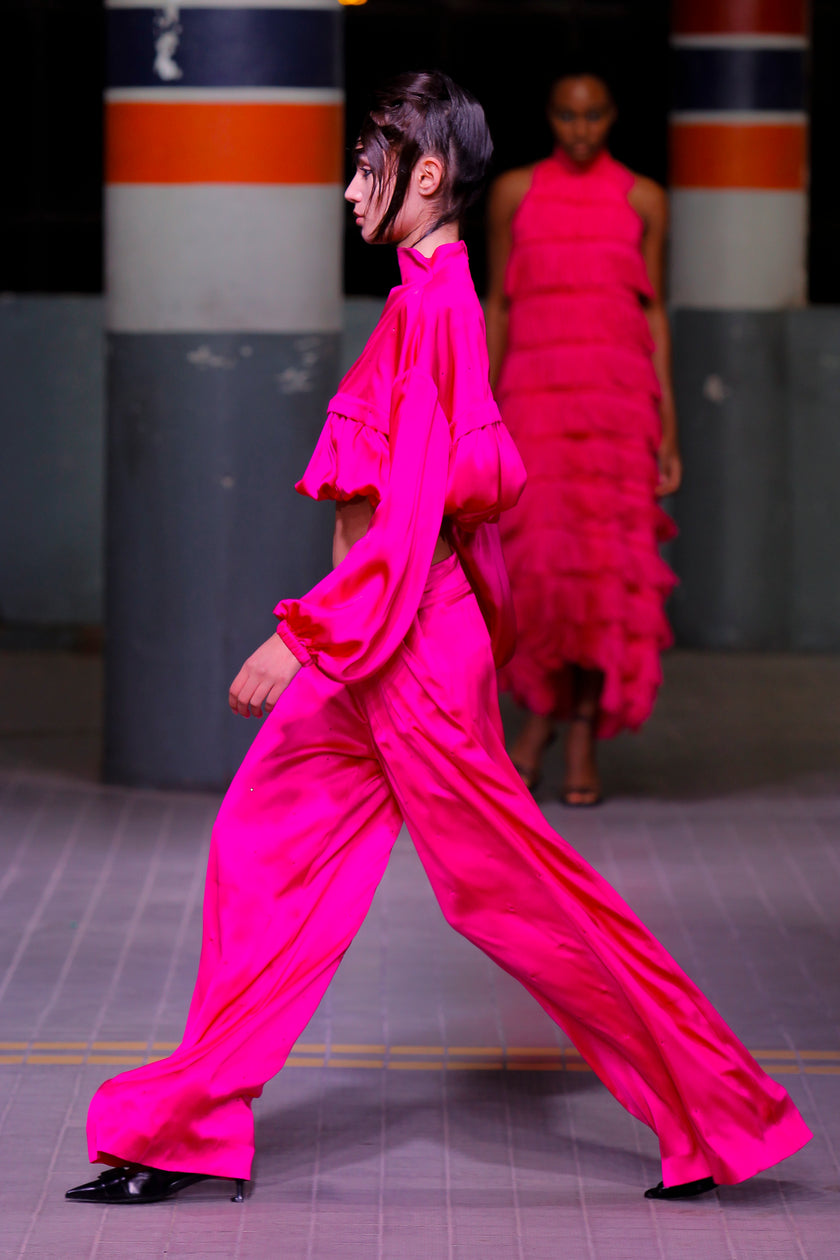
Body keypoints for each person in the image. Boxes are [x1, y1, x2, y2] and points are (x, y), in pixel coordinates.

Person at [67, 72, 809, 1208]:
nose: (349, 186)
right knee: (257, 848)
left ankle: (714, 1116)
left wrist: (302, 639)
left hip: (406, 648)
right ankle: (187, 1129)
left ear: (423, 176)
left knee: (521, 899)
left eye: (369, 165)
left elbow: (412, 518)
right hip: (379, 642)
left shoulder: (437, 307)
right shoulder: (426, 298)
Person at [486, 70, 681, 804]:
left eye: (594, 115)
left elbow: (654, 310)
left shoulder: (643, 198)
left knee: (604, 577)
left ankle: (575, 740)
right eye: (567, 115)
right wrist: (481, 404)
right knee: (536, 573)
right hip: (534, 400)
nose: (580, 129)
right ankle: (538, 720)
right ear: (549, 115)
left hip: (617, 405)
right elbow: (500, 303)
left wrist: (667, 427)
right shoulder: (514, 192)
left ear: (612, 116)